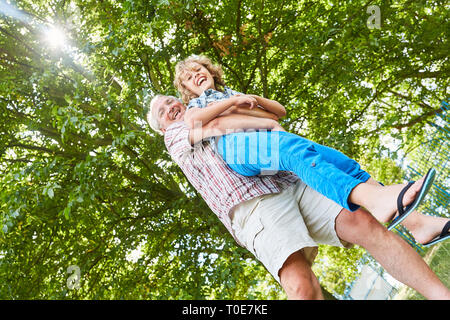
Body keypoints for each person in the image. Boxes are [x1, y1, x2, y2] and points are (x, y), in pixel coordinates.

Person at [145, 95, 450, 299]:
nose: (169, 107)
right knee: (303, 288)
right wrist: (242, 111)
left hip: (289, 182)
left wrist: (251, 114)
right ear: (160, 127)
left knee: (364, 223)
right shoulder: (175, 136)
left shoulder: (206, 107)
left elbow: (260, 118)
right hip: (252, 205)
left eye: (171, 101)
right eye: (162, 111)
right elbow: (206, 124)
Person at [169, 54, 439, 231]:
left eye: (199, 69)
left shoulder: (234, 93)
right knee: (294, 152)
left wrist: (245, 102)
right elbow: (196, 121)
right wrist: (232, 105)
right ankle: (376, 201)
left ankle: (418, 225)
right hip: (238, 148)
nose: (196, 76)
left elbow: (277, 113)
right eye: (189, 78)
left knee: (343, 163)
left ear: (210, 70)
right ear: (188, 90)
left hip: (268, 137)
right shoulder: (198, 103)